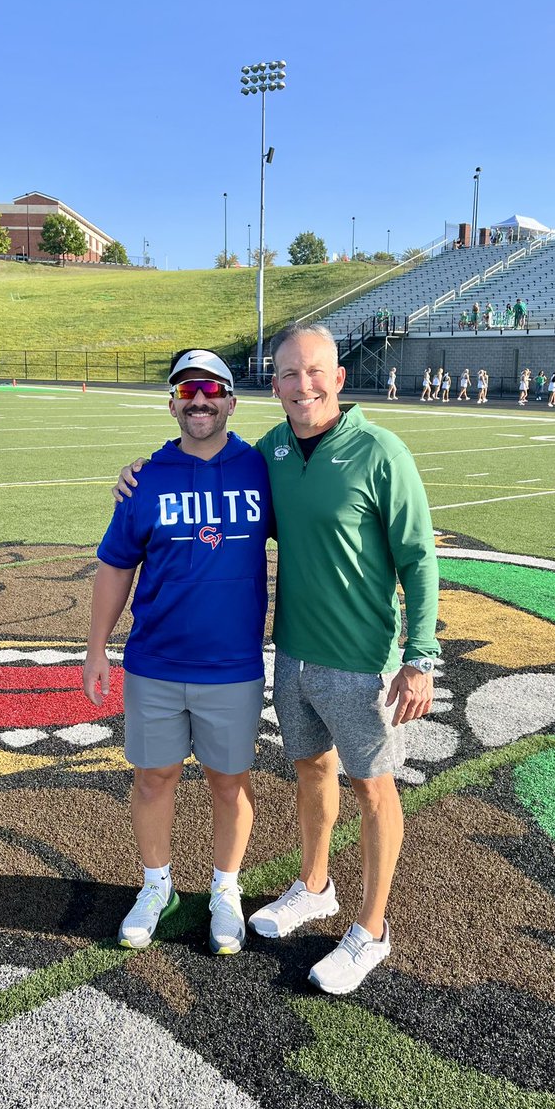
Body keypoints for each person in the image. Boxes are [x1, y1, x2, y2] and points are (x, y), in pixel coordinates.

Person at [116, 325, 440, 996]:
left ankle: (372, 929)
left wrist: (421, 655)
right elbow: (209, 473)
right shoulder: (270, 454)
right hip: (292, 654)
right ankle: (315, 886)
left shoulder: (381, 451)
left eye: (315, 371)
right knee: (310, 774)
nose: (303, 386)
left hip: (364, 659)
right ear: (275, 385)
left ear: (339, 378)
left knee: (373, 790)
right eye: (289, 374)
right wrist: (137, 476)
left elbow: (419, 555)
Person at [83, 348, 273, 956]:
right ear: (171, 402)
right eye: (187, 390)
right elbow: (115, 567)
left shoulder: (262, 469)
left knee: (230, 783)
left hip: (233, 666)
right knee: (152, 779)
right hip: (156, 664)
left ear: (231, 401)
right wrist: (95, 650)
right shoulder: (146, 477)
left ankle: (225, 889)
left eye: (212, 389)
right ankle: (157, 884)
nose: (199, 400)